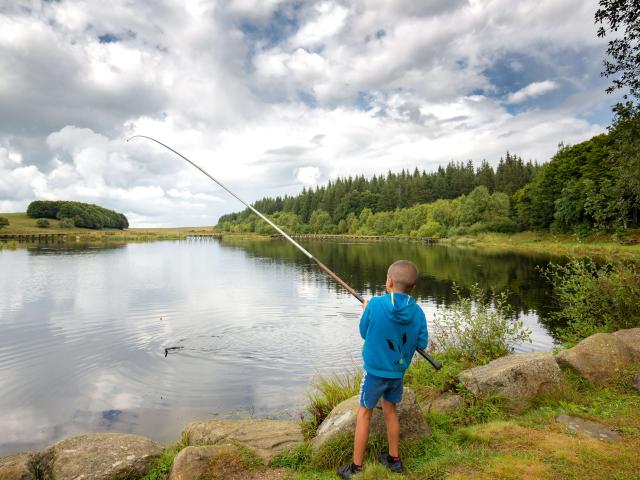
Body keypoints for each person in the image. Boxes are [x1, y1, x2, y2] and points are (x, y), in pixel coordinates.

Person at [338, 260, 428, 479]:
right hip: (397, 374)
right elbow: (422, 343)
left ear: (388, 282)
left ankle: (356, 468)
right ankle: (393, 459)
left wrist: (367, 310)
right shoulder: (417, 312)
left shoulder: (376, 304)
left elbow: (363, 332)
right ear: (413, 287)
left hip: (374, 374)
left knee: (364, 413)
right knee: (390, 411)